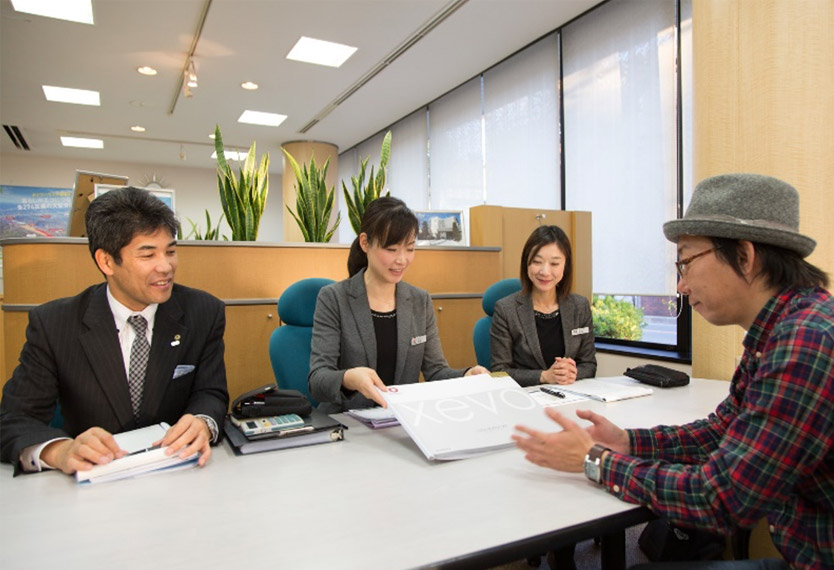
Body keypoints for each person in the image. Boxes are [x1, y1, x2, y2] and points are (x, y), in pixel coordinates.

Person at [513, 173, 833, 570]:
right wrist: (627, 441)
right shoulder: (782, 330)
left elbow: (721, 498)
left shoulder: (806, 341)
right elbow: (720, 432)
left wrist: (595, 460)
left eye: (685, 262)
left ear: (745, 256)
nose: (680, 285)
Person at [0, 187, 229, 476]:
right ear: (106, 261)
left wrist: (203, 422)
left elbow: (210, 392)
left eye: (171, 251)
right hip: (94, 481)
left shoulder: (203, 311)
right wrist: (59, 451)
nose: (166, 267)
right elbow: (14, 420)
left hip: (179, 472)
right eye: (148, 255)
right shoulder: (54, 324)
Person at [308, 196, 488, 413]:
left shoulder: (420, 300)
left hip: (402, 419)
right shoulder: (334, 298)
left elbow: (436, 372)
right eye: (392, 249)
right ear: (365, 243)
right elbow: (317, 380)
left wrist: (466, 375)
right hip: (346, 421)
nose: (402, 260)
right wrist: (348, 378)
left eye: (410, 249)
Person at [490, 225, 597, 387]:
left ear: (565, 266)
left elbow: (589, 364)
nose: (545, 271)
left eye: (554, 263)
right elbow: (499, 372)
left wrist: (570, 373)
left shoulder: (579, 306)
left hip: (570, 395)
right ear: (526, 263)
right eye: (537, 262)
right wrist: (544, 376)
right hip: (525, 397)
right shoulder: (505, 310)